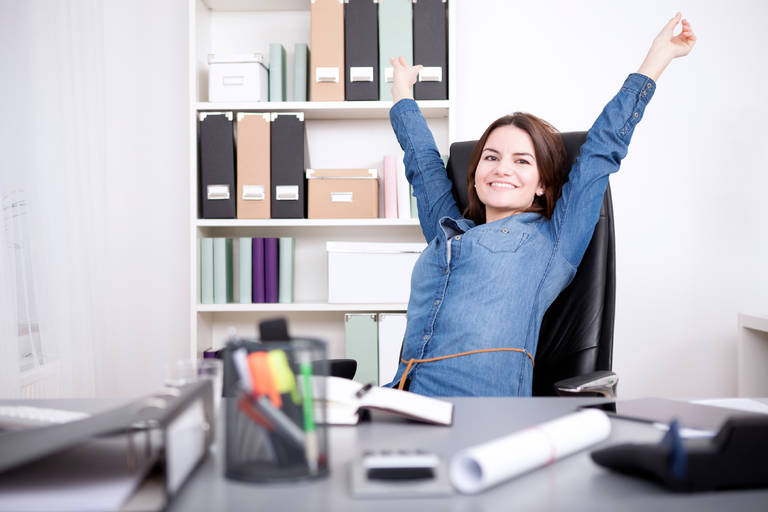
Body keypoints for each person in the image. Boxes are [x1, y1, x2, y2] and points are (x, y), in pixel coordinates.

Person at [384, 13, 696, 397]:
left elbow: (600, 152)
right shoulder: (447, 230)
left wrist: (656, 60)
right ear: (476, 171)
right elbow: (422, 163)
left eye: (521, 161)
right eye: (491, 157)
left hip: (477, 414)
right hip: (400, 400)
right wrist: (402, 92)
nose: (502, 169)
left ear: (542, 184)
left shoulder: (551, 241)